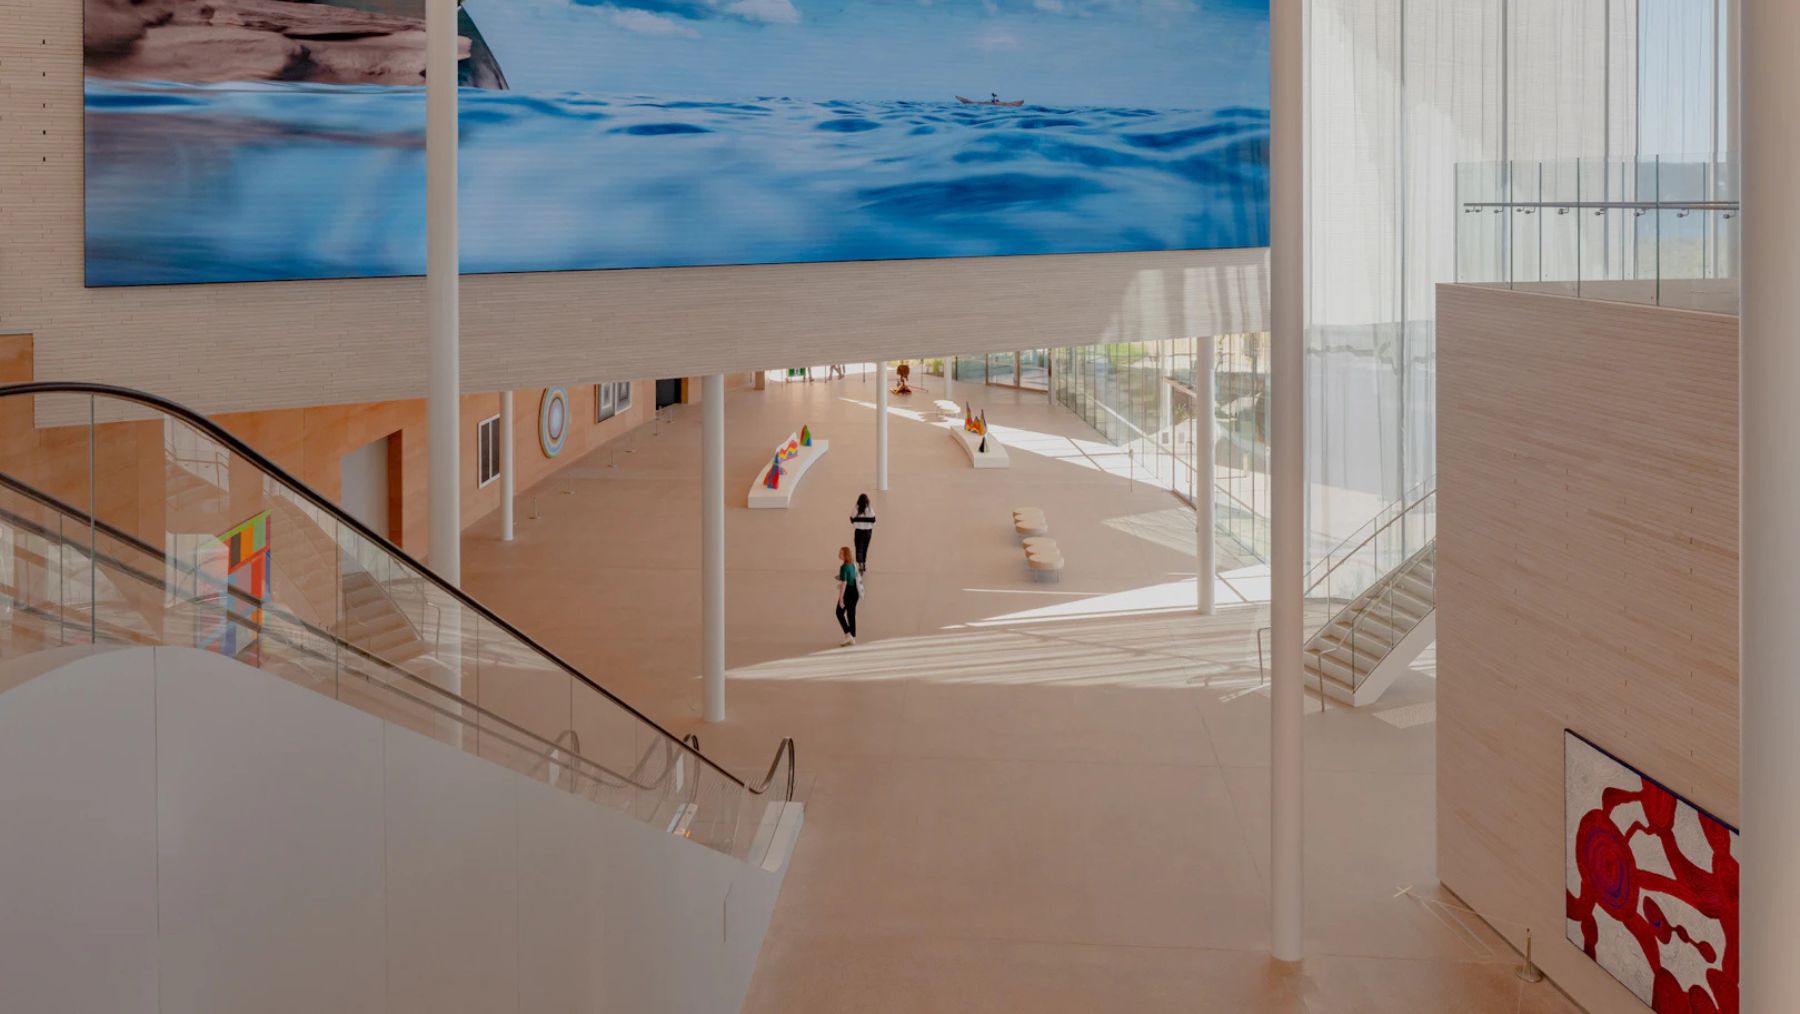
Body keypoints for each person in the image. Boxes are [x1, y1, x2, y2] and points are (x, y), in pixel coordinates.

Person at [834, 546, 861, 647]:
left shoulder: (844, 567)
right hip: (855, 592)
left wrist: (841, 598)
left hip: (848, 593)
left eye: (841, 553)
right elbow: (852, 578)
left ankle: (848, 634)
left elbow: (844, 583)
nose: (839, 555)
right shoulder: (853, 564)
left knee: (839, 612)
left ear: (846, 555)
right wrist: (841, 584)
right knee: (851, 614)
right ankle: (853, 638)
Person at [850, 494, 877, 575]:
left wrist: (857, 523)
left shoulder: (856, 509)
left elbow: (851, 519)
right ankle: (863, 564)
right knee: (865, 548)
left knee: (859, 548)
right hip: (868, 532)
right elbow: (874, 521)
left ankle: (860, 564)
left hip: (859, 531)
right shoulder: (870, 509)